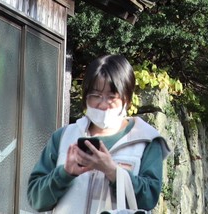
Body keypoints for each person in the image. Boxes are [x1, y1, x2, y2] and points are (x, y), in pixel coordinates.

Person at [26, 53, 169, 213]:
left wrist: (112, 171)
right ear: (85, 97)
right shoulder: (64, 137)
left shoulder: (146, 141)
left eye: (111, 97)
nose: (103, 104)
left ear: (127, 99)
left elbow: (149, 199)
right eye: (96, 95)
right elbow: (35, 199)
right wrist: (65, 173)